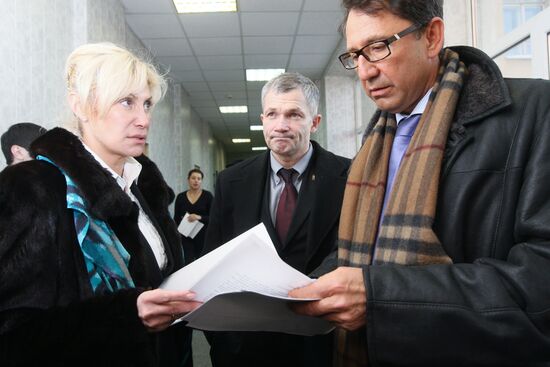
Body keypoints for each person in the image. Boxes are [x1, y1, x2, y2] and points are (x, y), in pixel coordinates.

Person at [289, 0, 550, 366]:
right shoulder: (375, 141)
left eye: (378, 47)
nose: (364, 71)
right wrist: (306, 288)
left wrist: (381, 298)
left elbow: (541, 286)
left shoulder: (535, 111)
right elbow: (365, 254)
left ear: (432, 37)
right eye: (354, 56)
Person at [0, 43, 201, 366]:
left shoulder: (143, 187)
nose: (143, 119)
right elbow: (12, 334)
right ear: (79, 105)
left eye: (147, 104)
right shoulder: (34, 187)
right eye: (126, 102)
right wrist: (126, 315)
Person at [202, 72, 351, 367]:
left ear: (315, 122)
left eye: (294, 114)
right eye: (272, 114)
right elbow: (214, 258)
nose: (281, 125)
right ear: (262, 119)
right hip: (245, 344)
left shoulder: (349, 178)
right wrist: (221, 337)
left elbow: (354, 253)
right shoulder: (231, 181)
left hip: (320, 343)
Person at [174, 168, 214, 263]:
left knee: (202, 262)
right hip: (186, 235)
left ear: (201, 181)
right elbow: (176, 218)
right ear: (188, 180)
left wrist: (199, 217)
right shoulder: (180, 197)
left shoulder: (208, 196)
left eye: (199, 179)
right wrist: (176, 234)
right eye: (193, 178)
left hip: (203, 236)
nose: (196, 181)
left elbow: (213, 217)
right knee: (188, 262)